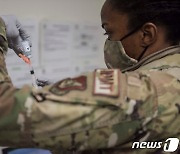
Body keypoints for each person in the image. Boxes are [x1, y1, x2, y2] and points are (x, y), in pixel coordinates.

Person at [0, 0, 179, 154]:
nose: (108, 42)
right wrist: (70, 96)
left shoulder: (142, 91)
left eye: (109, 33)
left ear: (147, 35)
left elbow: (5, 114)